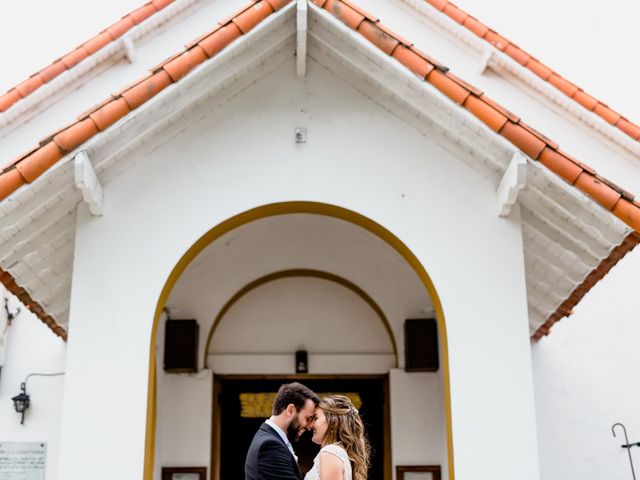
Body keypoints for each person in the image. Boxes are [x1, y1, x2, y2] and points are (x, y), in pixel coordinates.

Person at [245, 382, 320, 480]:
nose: (309, 427)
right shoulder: (269, 446)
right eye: (307, 418)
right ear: (291, 410)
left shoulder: (270, 438)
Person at [305, 395, 370, 480]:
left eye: (316, 418)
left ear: (334, 421)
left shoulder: (330, 452)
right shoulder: (338, 452)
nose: (310, 425)